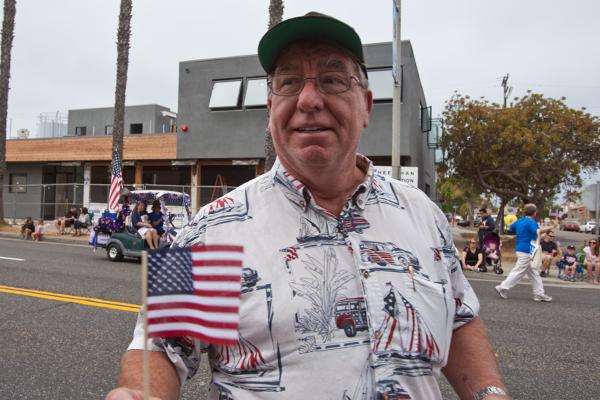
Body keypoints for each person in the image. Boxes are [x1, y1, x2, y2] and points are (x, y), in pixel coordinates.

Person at [107, 12, 508, 400]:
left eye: (332, 80)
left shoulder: (422, 214)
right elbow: (159, 345)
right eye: (289, 82)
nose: (309, 99)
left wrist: (490, 393)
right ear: (270, 111)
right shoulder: (209, 230)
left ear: (367, 105)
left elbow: (459, 319)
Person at [495, 203, 555, 302]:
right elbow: (538, 232)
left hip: (520, 248)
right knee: (519, 271)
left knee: (534, 272)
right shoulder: (531, 222)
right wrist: (552, 227)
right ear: (534, 213)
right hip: (527, 250)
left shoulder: (520, 220)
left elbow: (511, 227)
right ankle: (502, 287)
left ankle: (539, 294)